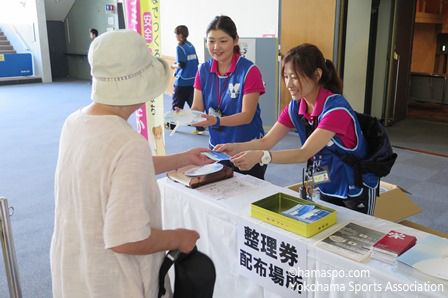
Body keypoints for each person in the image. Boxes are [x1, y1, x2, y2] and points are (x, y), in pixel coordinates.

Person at [50, 30, 213, 298]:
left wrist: (181, 159)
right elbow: (127, 238)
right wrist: (179, 237)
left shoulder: (75, 122)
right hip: (115, 284)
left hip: (74, 273)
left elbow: (112, 170)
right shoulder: (128, 143)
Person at [215, 44, 379, 215]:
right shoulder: (295, 107)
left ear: (317, 75)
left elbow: (304, 153)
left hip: (356, 185)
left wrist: (262, 157)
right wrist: (237, 147)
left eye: (294, 77)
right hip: (325, 180)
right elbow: (266, 141)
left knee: (354, 233)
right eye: (286, 76)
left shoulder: (336, 109)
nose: (289, 84)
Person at [191, 15, 266, 179]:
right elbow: (196, 107)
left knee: (249, 196)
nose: (216, 47)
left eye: (223, 41)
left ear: (235, 40)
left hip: (246, 147)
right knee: (220, 195)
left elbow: (247, 116)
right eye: (211, 41)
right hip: (217, 148)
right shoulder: (203, 70)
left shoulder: (249, 71)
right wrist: (186, 117)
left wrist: (216, 121)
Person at [167, 25, 205, 135]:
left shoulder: (180, 47)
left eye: (176, 35)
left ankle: (171, 125)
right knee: (194, 106)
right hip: (193, 80)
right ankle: (200, 128)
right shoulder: (191, 46)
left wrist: (173, 66)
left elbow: (181, 64)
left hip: (182, 81)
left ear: (180, 35)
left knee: (177, 104)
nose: (175, 37)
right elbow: (196, 62)